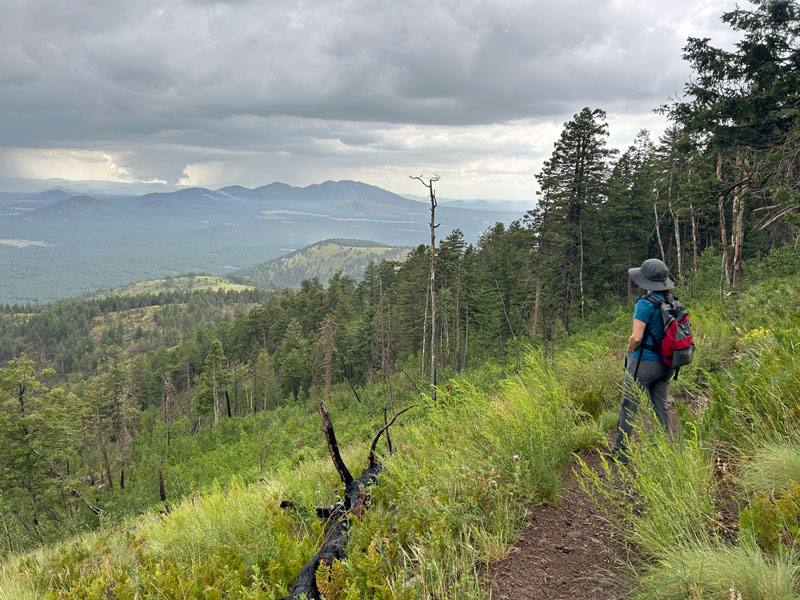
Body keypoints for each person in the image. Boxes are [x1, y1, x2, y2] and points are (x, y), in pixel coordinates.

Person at [611, 258, 675, 464]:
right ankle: (660, 451)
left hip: (643, 365)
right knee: (660, 407)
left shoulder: (645, 304)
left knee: (628, 406)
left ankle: (620, 453)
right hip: (666, 364)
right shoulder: (670, 301)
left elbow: (636, 338)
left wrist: (629, 352)